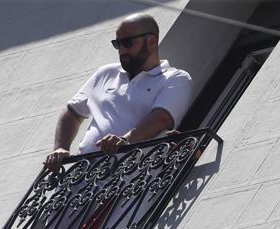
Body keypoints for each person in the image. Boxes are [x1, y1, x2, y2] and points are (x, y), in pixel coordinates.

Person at [45, 13, 193, 170]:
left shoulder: (175, 78)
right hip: (82, 181)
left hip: (129, 182)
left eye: (128, 43)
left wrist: (125, 140)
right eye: (118, 44)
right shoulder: (106, 73)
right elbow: (72, 112)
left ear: (151, 41)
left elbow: (161, 119)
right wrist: (60, 147)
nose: (122, 49)